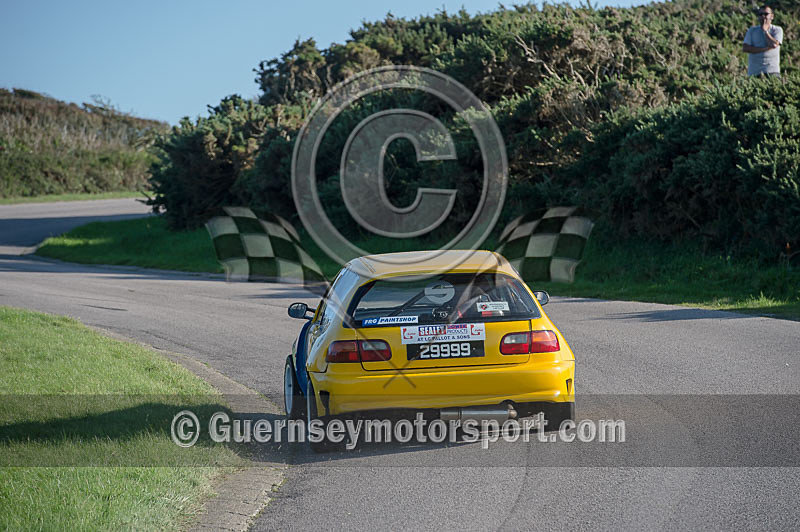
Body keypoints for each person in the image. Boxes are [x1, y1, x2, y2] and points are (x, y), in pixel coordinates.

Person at [743, 5, 783, 77]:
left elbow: (774, 45)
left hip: (772, 71)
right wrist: (764, 49)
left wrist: (765, 31)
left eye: (766, 14)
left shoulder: (777, 30)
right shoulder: (752, 30)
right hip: (754, 72)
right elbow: (745, 48)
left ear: (772, 16)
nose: (763, 16)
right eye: (760, 14)